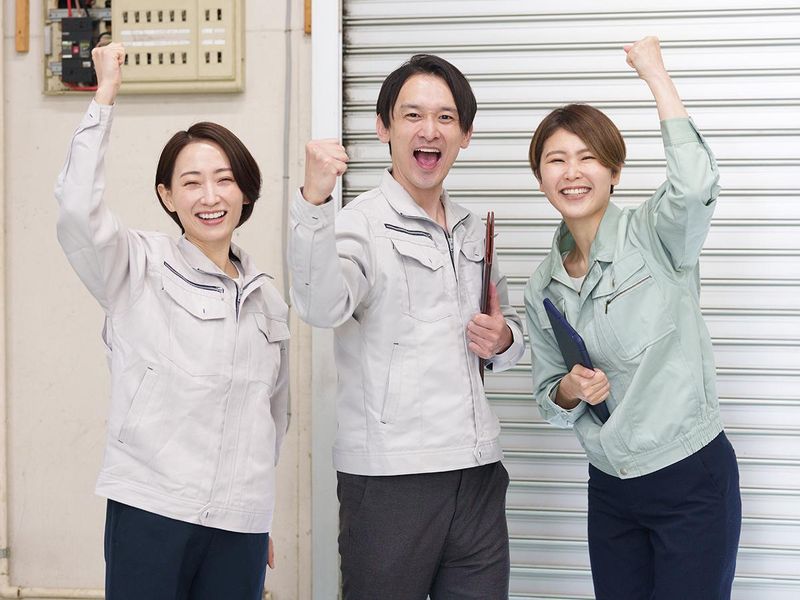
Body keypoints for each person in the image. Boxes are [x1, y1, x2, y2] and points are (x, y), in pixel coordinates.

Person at [55, 43, 288, 599]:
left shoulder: (268, 300)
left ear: (245, 191)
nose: (210, 197)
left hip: (240, 522)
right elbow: (77, 212)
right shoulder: (135, 265)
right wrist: (104, 96)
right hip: (152, 508)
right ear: (167, 195)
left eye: (224, 179)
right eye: (191, 182)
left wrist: (257, 513)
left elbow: (271, 418)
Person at [289, 54, 525, 599]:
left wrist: (505, 339)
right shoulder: (358, 224)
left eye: (446, 117)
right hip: (391, 480)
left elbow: (506, 330)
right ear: (384, 128)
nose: (429, 130)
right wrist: (314, 203)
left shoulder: (472, 228)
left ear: (465, 134)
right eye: (412, 115)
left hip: (477, 473)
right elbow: (320, 305)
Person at [524, 37, 741, 600]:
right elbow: (549, 399)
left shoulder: (657, 235)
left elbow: (695, 185)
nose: (572, 173)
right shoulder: (542, 287)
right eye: (556, 160)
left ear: (615, 170)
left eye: (587, 157)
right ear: (540, 178)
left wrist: (655, 75)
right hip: (611, 488)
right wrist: (571, 390)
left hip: (690, 477)